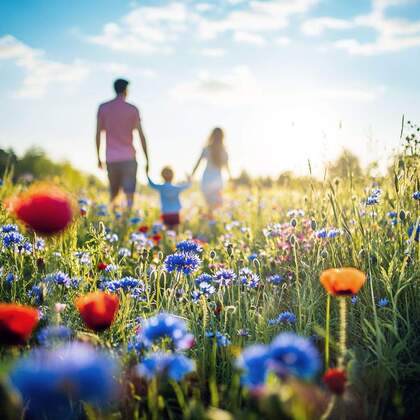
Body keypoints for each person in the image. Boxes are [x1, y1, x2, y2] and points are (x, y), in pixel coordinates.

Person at [96, 78, 149, 209]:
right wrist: (147, 159)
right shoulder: (133, 109)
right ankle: (128, 216)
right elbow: (141, 136)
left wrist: (98, 157)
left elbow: (98, 134)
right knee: (129, 194)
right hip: (129, 158)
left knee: (114, 194)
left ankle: (113, 219)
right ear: (126, 90)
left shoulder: (103, 108)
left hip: (111, 158)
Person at [191, 127, 231, 218]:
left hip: (206, 180)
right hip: (217, 180)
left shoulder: (206, 149)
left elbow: (197, 164)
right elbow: (227, 167)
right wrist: (231, 179)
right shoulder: (224, 151)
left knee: (210, 205)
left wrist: (192, 175)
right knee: (217, 205)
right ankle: (213, 222)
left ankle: (209, 221)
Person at [146, 166, 191, 230]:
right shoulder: (176, 188)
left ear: (162, 176)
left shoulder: (161, 187)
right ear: (173, 176)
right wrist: (189, 178)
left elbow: (151, 184)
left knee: (167, 231)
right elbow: (188, 185)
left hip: (166, 213)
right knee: (175, 231)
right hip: (175, 213)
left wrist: (147, 174)